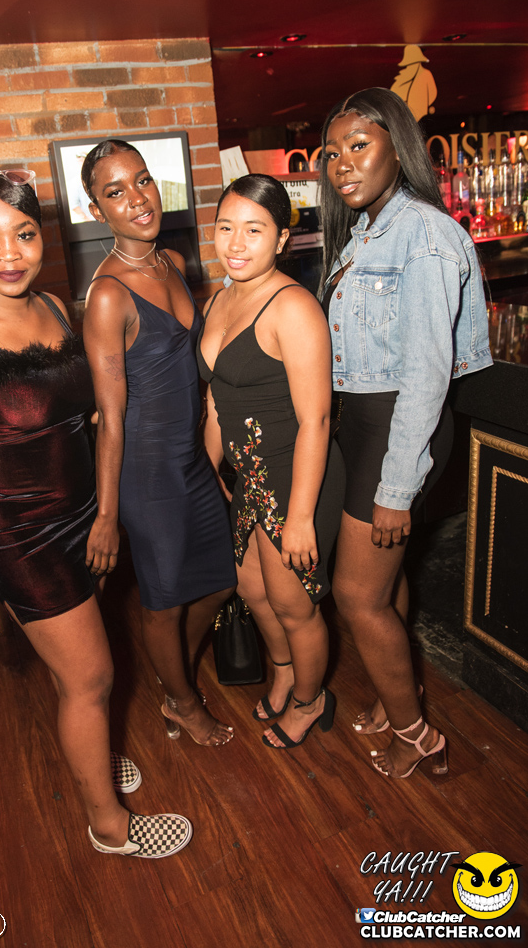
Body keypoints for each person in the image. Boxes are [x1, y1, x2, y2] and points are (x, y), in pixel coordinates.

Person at [0, 167, 191, 859]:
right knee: (93, 678)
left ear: (44, 236)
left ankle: (91, 754)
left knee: (78, 675)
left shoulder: (50, 306)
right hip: (23, 539)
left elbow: (86, 416)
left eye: (24, 234)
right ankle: (109, 825)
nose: (8, 254)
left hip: (81, 521)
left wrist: (106, 509)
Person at [319, 87, 492, 778]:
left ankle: (419, 735)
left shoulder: (422, 234)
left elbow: (425, 374)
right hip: (366, 426)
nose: (342, 164)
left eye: (358, 145)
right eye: (332, 153)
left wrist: (396, 487)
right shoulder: (366, 230)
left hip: (399, 428)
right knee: (383, 587)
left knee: (356, 595)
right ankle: (398, 700)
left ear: (398, 146)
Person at [81, 140, 236, 747]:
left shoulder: (171, 260)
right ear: (98, 211)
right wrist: (107, 515)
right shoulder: (107, 295)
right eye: (115, 192)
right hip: (146, 473)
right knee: (163, 602)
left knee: (220, 581)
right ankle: (181, 702)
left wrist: (211, 457)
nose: (137, 199)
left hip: (192, 459)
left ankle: (176, 675)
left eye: (142, 180)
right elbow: (110, 418)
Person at [197, 174, 345, 748]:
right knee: (251, 589)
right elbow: (217, 401)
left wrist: (301, 518)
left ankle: (311, 701)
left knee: (292, 603)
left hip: (293, 474)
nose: (236, 243)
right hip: (248, 475)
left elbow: (316, 421)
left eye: (254, 230)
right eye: (225, 227)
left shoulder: (294, 307)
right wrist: (206, 471)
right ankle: (284, 674)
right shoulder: (220, 298)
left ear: (282, 238)